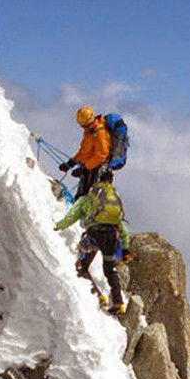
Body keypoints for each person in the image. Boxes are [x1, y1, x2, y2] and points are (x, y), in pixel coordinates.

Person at [53, 171, 131, 314]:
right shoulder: (115, 201)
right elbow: (124, 229)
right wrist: (125, 249)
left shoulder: (88, 198)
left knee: (82, 266)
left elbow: (71, 216)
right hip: (112, 236)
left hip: (94, 235)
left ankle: (98, 296)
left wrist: (57, 226)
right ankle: (118, 303)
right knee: (109, 270)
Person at [58, 105, 110, 199]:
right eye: (83, 126)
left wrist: (84, 168)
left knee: (88, 197)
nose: (85, 128)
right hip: (90, 168)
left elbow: (102, 155)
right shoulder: (89, 132)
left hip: (98, 169)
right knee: (81, 196)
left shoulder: (100, 133)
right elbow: (84, 152)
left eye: (86, 126)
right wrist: (71, 163)